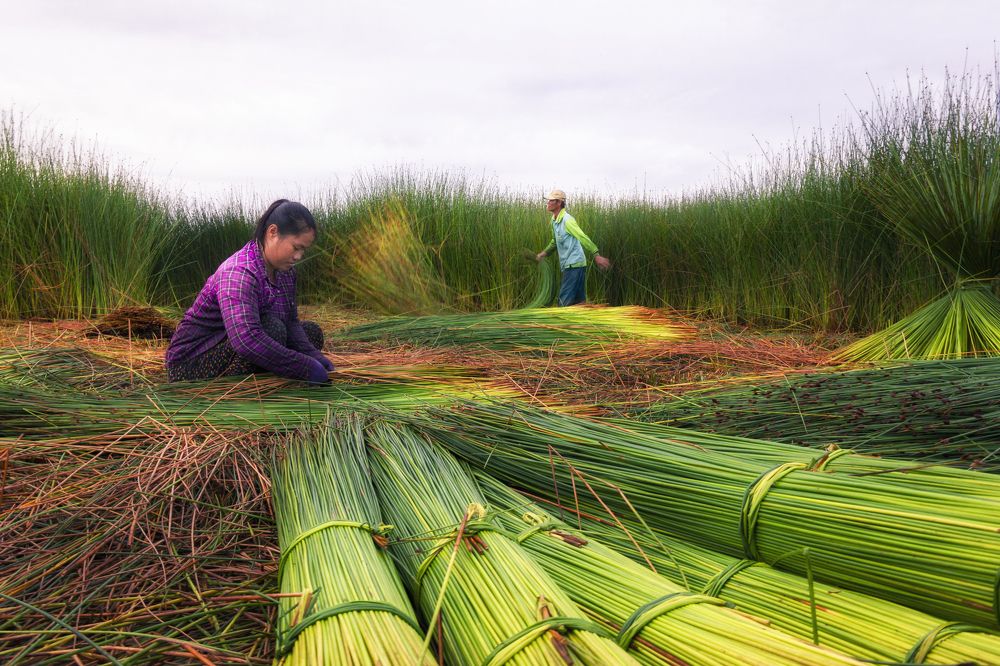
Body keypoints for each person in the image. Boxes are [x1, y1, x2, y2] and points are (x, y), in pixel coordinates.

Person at [165, 199, 334, 384]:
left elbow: (291, 322)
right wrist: (305, 367)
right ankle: (238, 391)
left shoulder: (285, 273)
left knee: (311, 332)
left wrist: (314, 356)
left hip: (236, 346)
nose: (298, 256)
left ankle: (268, 379)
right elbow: (246, 340)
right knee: (272, 329)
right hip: (192, 364)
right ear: (272, 232)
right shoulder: (238, 272)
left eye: (303, 250)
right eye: (296, 247)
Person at [535, 189, 611, 306]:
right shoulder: (554, 221)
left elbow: (582, 237)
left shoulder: (567, 220)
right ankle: (588, 319)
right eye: (548, 201)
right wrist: (543, 254)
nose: (548, 203)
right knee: (579, 302)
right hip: (571, 265)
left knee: (563, 303)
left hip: (574, 265)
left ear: (559, 203)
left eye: (551, 201)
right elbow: (555, 241)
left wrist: (596, 255)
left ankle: (563, 323)